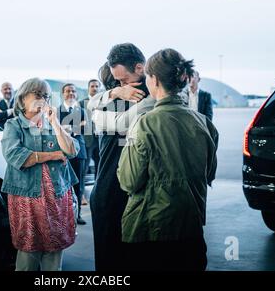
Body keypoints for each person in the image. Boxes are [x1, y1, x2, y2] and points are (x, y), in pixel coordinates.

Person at [117, 48, 218, 271]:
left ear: (153, 80)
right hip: (191, 231)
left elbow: (128, 181)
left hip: (151, 230)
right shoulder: (205, 123)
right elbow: (209, 175)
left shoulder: (144, 123)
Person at [1, 78, 79, 271]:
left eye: (45, 95)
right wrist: (52, 155)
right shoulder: (14, 125)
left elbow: (71, 151)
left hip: (57, 194)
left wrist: (55, 123)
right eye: (37, 94)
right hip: (27, 196)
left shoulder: (53, 123)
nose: (42, 99)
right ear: (22, 98)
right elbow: (15, 155)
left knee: (54, 252)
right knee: (29, 251)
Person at [88, 43, 149, 271]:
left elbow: (112, 121)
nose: (122, 85)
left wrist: (99, 118)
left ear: (141, 68)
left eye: (123, 80)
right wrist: (114, 92)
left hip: (128, 191)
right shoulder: (115, 95)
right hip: (109, 190)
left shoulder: (149, 98)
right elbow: (89, 108)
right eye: (116, 82)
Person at [59, 83, 87, 225]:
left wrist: (67, 128)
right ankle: (64, 214)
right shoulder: (57, 110)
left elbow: (86, 127)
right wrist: (76, 126)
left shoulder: (81, 110)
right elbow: (55, 128)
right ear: (62, 94)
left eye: (73, 91)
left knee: (79, 184)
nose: (71, 93)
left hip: (79, 151)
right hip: (62, 152)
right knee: (63, 184)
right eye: (68, 91)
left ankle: (77, 215)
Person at [79, 79, 101, 191]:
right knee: (84, 168)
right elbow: (76, 123)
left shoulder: (103, 103)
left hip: (101, 140)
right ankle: (82, 194)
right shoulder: (81, 103)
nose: (95, 88)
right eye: (92, 86)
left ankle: (97, 192)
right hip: (87, 140)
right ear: (88, 88)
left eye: (97, 86)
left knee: (100, 168)